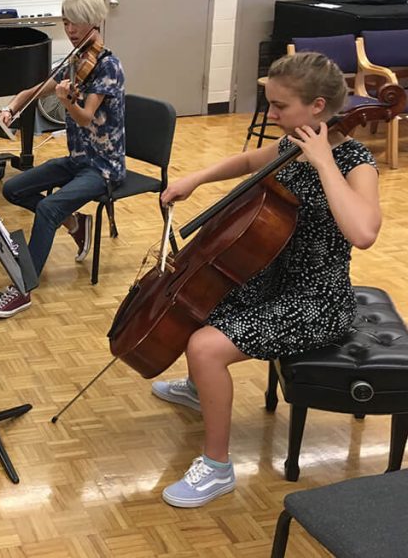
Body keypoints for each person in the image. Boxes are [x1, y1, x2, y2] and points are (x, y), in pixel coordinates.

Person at [151, 51, 380, 508]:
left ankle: (217, 468)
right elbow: (245, 162)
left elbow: (364, 232)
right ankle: (201, 389)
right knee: (198, 301)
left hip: (318, 301)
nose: (270, 115)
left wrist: (324, 163)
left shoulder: (355, 162)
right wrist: (194, 179)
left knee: (205, 346)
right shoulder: (288, 145)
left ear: (317, 106)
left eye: (280, 106)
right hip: (274, 279)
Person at [0, 0, 125, 318]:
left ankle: (23, 288)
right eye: (66, 21)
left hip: (103, 167)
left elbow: (85, 116)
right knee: (12, 188)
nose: (70, 28)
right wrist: (12, 107)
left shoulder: (108, 66)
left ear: (94, 20)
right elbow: (37, 89)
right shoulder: (75, 61)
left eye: (76, 21)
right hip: (79, 159)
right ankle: (75, 222)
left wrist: (67, 102)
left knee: (48, 208)